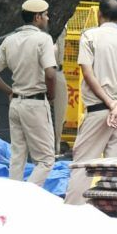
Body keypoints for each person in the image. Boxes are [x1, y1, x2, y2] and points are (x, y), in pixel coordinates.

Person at [64, 0, 117, 204]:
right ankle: (108, 212)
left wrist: (109, 104)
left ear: (99, 14)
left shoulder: (90, 36)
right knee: (114, 168)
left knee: (83, 165)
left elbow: (88, 74)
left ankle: (72, 213)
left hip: (99, 111)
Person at [0, 0, 57, 186]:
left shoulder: (10, 40)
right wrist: (52, 94)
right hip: (35, 103)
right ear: (38, 17)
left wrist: (10, 91)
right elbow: (50, 73)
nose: (47, 19)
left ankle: (12, 201)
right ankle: (27, 196)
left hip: (15, 103)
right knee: (46, 160)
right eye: (46, 15)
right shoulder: (43, 39)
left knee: (17, 158)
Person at [52, 26, 68, 154]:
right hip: (48, 72)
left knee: (59, 117)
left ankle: (56, 150)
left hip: (59, 72)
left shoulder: (62, 24)